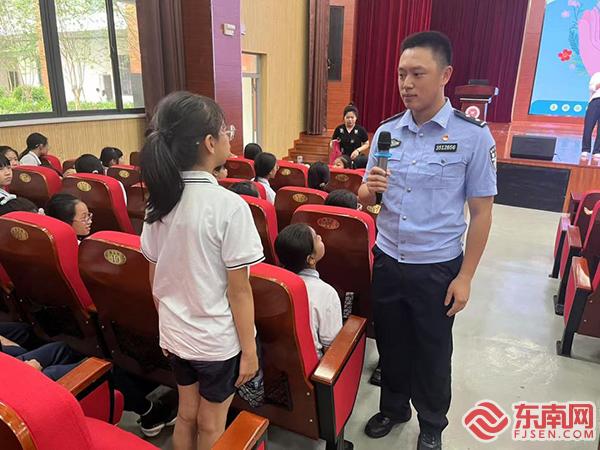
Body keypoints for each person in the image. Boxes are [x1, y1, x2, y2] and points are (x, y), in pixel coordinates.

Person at [359, 31, 496, 450]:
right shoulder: (386, 132)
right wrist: (368, 191)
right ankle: (394, 408)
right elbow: (366, 195)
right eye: (402, 74)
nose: (406, 83)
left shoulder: (473, 137)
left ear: (445, 75)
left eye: (418, 73)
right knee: (392, 344)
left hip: (437, 266)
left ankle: (432, 422)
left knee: (433, 351)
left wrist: (465, 277)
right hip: (388, 258)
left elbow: (482, 213)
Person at [140, 91, 263, 450]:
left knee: (186, 415)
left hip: (175, 335)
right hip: (215, 344)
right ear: (210, 143)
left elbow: (154, 280)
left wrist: (169, 326)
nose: (229, 137)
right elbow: (239, 291)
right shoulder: (230, 206)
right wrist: (250, 351)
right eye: (226, 131)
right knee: (211, 425)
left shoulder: (158, 202)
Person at [274, 223, 342, 357]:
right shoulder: (326, 293)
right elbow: (331, 347)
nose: (320, 236)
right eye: (316, 238)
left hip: (275, 361)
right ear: (311, 259)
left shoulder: (272, 284)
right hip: (312, 364)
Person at [0, 322, 82, 381]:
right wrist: (25, 374)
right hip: (11, 386)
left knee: (60, 348)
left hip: (5, 367)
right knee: (53, 371)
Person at [582, 71, 600, 159]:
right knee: (589, 126)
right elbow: (591, 88)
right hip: (595, 101)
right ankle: (585, 149)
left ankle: (597, 150)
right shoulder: (597, 75)